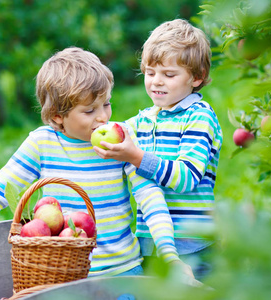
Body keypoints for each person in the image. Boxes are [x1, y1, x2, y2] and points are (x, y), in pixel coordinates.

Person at [0, 47, 192, 278]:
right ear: (58, 116)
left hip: (122, 271)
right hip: (64, 275)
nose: (103, 117)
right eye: (89, 111)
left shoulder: (121, 142)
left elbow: (149, 196)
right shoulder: (42, 144)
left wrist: (169, 254)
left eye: (107, 104)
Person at [93, 19, 223, 279]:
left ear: (196, 78)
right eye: (150, 73)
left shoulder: (199, 118)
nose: (156, 82)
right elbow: (106, 132)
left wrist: (136, 157)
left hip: (193, 243)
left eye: (169, 75)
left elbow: (186, 178)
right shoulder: (142, 121)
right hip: (150, 241)